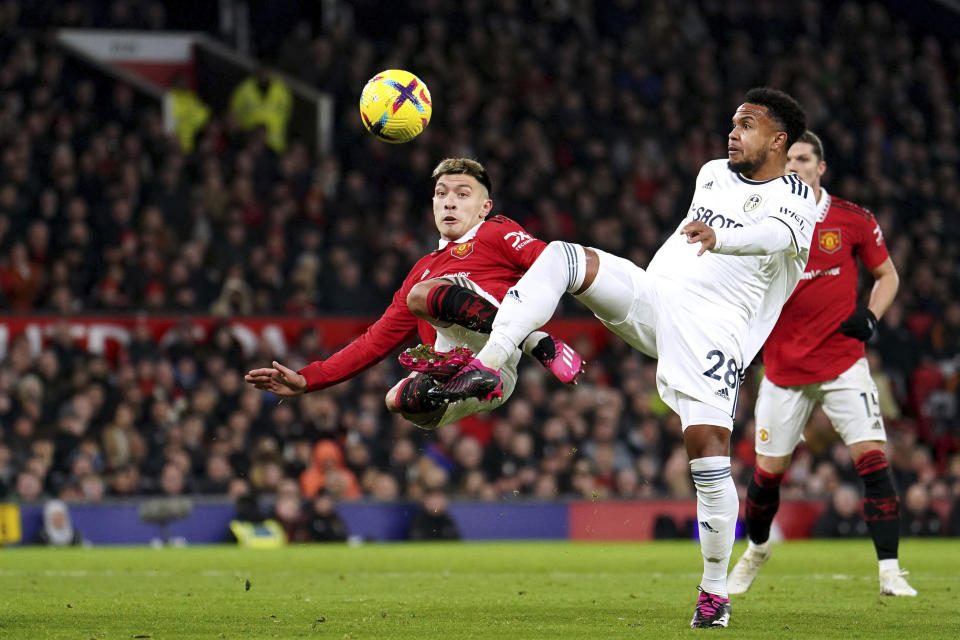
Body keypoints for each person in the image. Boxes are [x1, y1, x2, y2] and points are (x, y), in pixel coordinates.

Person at [433, 88, 817, 629]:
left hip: (714, 333)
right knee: (563, 256)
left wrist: (721, 238)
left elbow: (772, 236)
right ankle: (490, 362)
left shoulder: (800, 197)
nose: (733, 132)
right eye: (733, 122)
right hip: (655, 298)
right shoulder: (712, 171)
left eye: (747, 125)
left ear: (779, 140)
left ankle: (713, 593)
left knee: (708, 463)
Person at [245, 158, 584, 430]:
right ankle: (508, 353)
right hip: (462, 373)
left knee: (424, 294)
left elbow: (552, 267)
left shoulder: (496, 231)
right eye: (441, 193)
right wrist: (307, 379)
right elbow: (374, 342)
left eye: (463, 194)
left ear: (485, 207)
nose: (449, 201)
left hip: (500, 354)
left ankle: (526, 338)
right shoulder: (422, 269)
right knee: (398, 400)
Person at [726, 131, 915, 597]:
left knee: (872, 463)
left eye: (803, 158)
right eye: (787, 159)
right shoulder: (763, 224)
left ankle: (890, 571)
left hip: (843, 363)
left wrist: (871, 316)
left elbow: (887, 275)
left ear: (820, 167)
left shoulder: (852, 220)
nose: (794, 166)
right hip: (784, 372)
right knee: (767, 476)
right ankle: (757, 549)